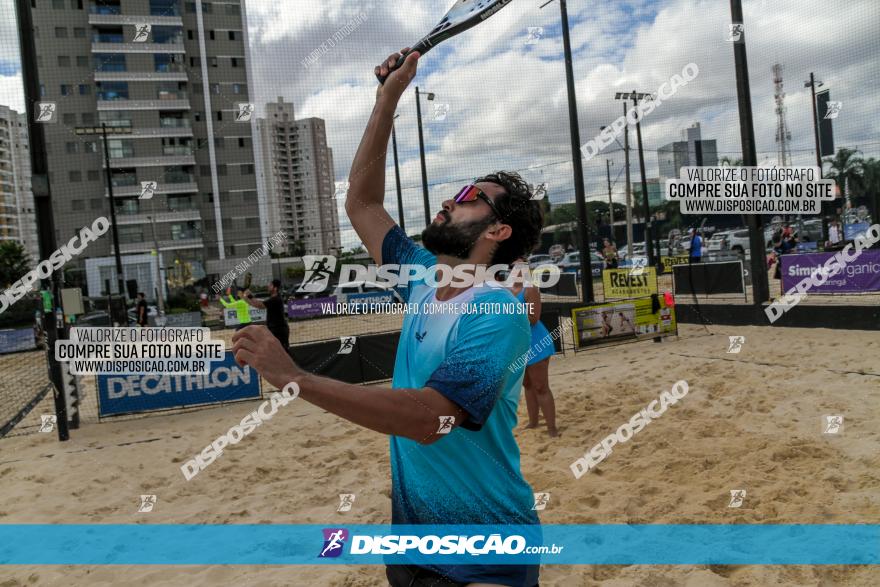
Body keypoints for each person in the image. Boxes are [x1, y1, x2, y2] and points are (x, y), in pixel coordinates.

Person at [231, 47, 543, 587]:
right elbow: (362, 203)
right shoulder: (423, 279)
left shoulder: (496, 312)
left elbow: (430, 420)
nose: (450, 199)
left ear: (498, 232)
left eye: (470, 197)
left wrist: (297, 380)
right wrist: (387, 100)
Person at [509, 259, 558, 437]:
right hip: (519, 345)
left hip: (536, 342)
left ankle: (552, 428)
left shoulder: (530, 289)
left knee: (541, 387)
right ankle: (533, 422)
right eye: (514, 267)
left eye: (521, 268)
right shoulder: (507, 290)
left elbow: (533, 318)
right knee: (528, 385)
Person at [244, 279, 289, 351]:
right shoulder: (274, 298)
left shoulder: (276, 299)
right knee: (276, 352)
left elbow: (259, 305)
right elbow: (256, 304)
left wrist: (249, 296)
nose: (268, 286)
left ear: (275, 288)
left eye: (270, 285)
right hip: (275, 329)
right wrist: (246, 298)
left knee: (283, 353)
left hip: (279, 330)